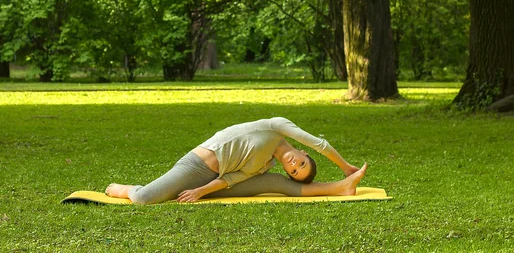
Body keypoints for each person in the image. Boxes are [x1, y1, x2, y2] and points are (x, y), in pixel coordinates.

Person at [105, 117, 367, 204]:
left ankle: (342, 187)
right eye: (300, 162)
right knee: (143, 199)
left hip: (214, 181)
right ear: (303, 152)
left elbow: (232, 178)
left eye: (294, 170)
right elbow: (319, 143)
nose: (294, 165)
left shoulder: (267, 166)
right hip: (196, 166)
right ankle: (127, 188)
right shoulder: (277, 126)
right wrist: (345, 166)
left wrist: (201, 191)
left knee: (277, 184)